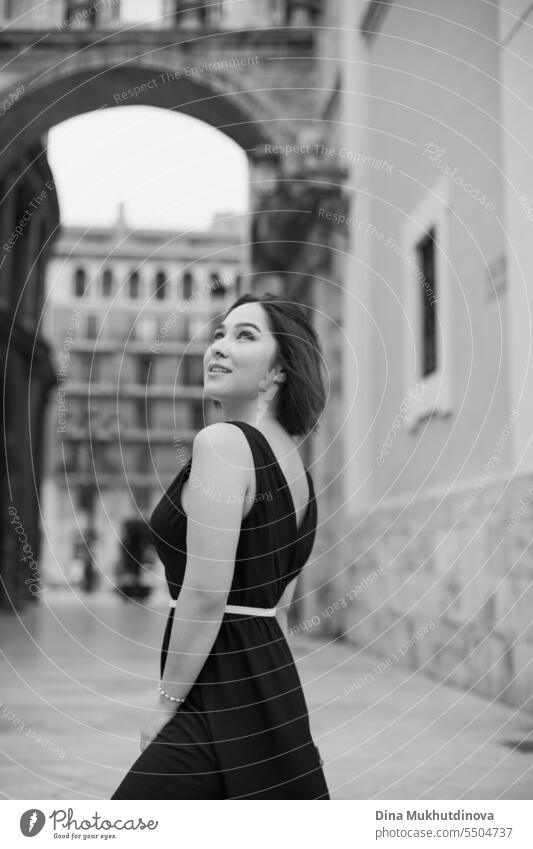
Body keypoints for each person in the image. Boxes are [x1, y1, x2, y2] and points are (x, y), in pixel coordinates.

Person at [111, 292, 330, 799]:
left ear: (278, 370)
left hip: (218, 687)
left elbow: (207, 593)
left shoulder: (223, 443)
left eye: (245, 336)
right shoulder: (294, 464)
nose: (219, 347)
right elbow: (279, 599)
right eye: (219, 334)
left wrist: (166, 703)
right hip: (269, 682)